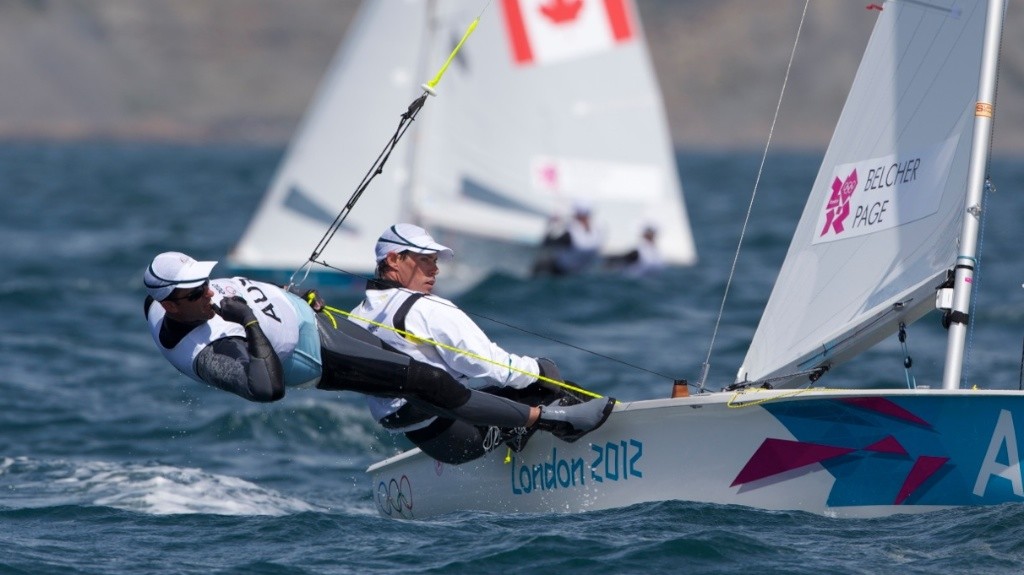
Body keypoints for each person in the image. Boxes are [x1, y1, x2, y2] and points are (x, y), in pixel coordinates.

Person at [143, 251, 614, 465]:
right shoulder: (202, 352)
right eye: (194, 292)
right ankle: (549, 420)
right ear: (172, 305)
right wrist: (247, 319)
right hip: (320, 358)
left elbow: (260, 304)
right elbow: (266, 389)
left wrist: (291, 302)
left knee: (416, 377)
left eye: (206, 281)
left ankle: (497, 421)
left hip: (318, 322)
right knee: (425, 380)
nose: (207, 292)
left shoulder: (163, 298)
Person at [348, 224, 615, 463]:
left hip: (433, 443)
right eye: (425, 259)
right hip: (465, 436)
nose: (435, 268)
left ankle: (521, 443)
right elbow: (491, 366)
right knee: (547, 385)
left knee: (499, 390)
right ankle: (609, 442)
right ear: (394, 260)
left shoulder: (357, 316)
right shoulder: (425, 308)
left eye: (435, 260)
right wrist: (540, 370)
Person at [532, 199, 603, 276]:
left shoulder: (571, 235)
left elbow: (546, 243)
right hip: (582, 270)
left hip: (561, 270)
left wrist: (550, 224)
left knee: (541, 264)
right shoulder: (599, 230)